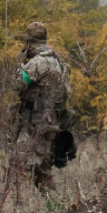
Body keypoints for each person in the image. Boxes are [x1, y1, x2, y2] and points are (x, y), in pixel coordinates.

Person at [14, 21, 70, 191]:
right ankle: (54, 206)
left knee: (22, 164)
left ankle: (47, 205)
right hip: (50, 119)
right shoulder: (56, 60)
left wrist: (19, 64)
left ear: (29, 41)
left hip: (37, 122)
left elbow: (17, 85)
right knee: (40, 169)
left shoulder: (38, 62)